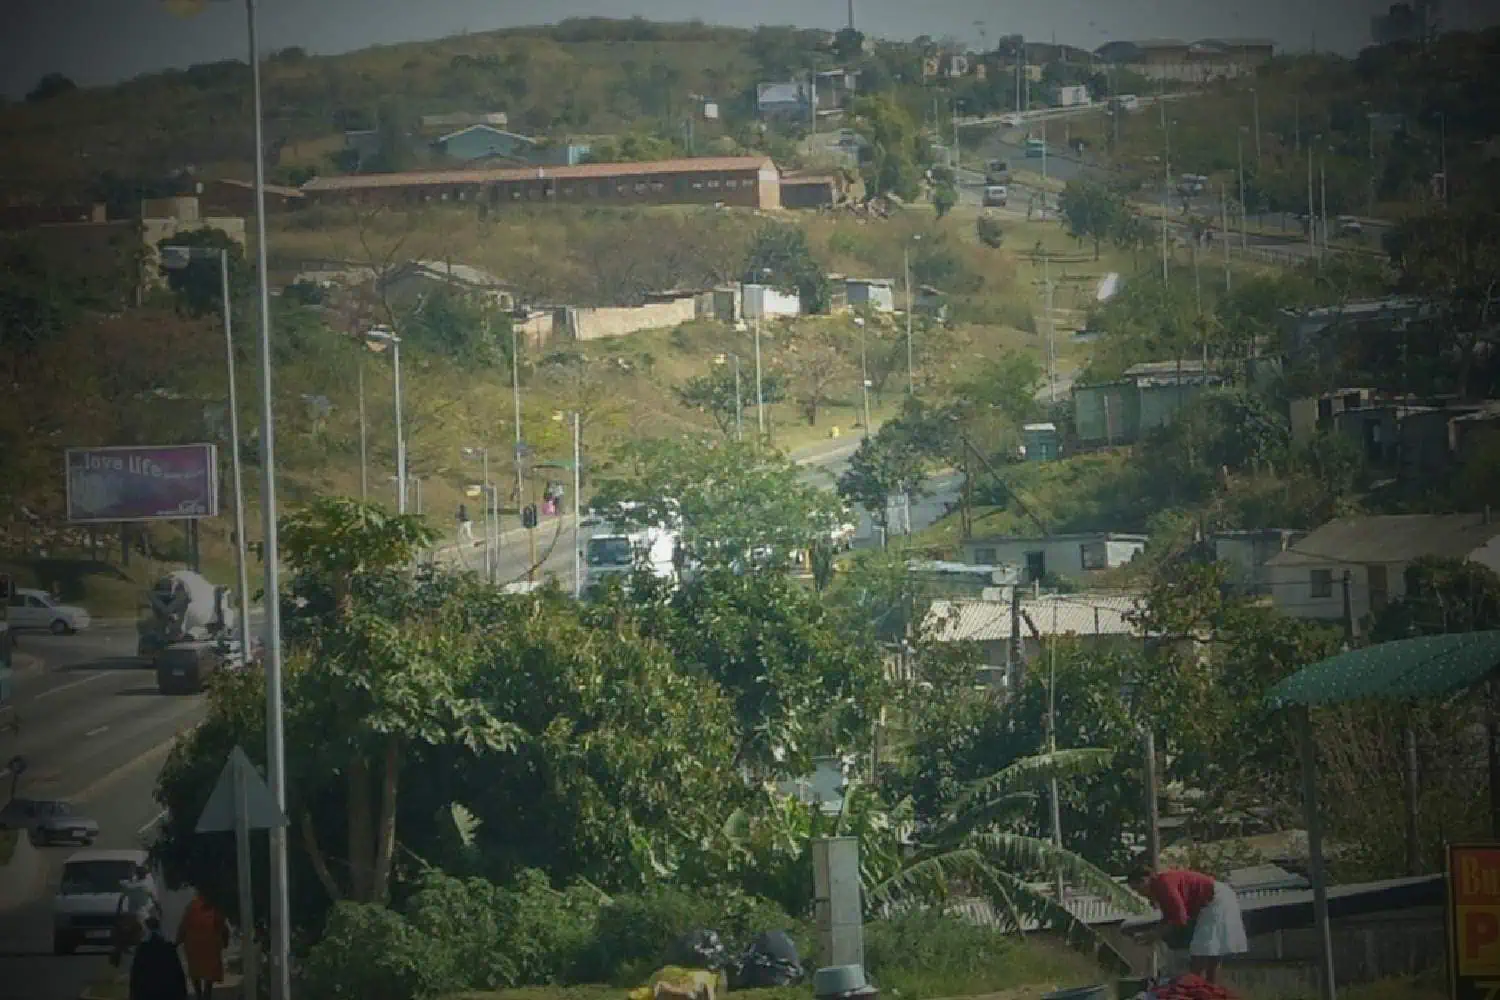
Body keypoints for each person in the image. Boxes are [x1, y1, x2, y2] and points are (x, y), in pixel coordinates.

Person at [1126, 860, 1247, 985]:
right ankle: (1206, 989)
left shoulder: (1164, 884)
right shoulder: (1160, 886)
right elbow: (1170, 917)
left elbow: (1180, 918)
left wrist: (1154, 935)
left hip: (1216, 900)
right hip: (1216, 899)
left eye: (1137, 889)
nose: (1139, 893)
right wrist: (1154, 933)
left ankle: (1194, 988)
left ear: (1144, 881)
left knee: (1202, 950)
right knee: (1210, 952)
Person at [176, 892, 229, 1000]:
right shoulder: (213, 908)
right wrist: (225, 940)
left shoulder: (191, 908)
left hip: (193, 948)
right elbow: (222, 925)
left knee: (195, 973)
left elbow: (183, 927)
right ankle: (206, 994)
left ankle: (199, 995)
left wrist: (177, 941)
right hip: (210, 947)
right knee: (209, 973)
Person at [112, 863, 160, 967]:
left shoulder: (130, 885)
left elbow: (121, 899)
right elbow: (155, 900)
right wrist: (159, 910)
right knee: (148, 935)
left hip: (130, 914)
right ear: (144, 874)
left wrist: (118, 912)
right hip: (142, 914)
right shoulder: (146, 885)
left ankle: (118, 951)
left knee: (122, 935)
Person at [129, 917, 187, 1000]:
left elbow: (136, 972)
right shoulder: (168, 947)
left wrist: (132, 993)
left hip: (146, 992)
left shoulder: (142, 949)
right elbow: (178, 971)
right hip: (168, 992)